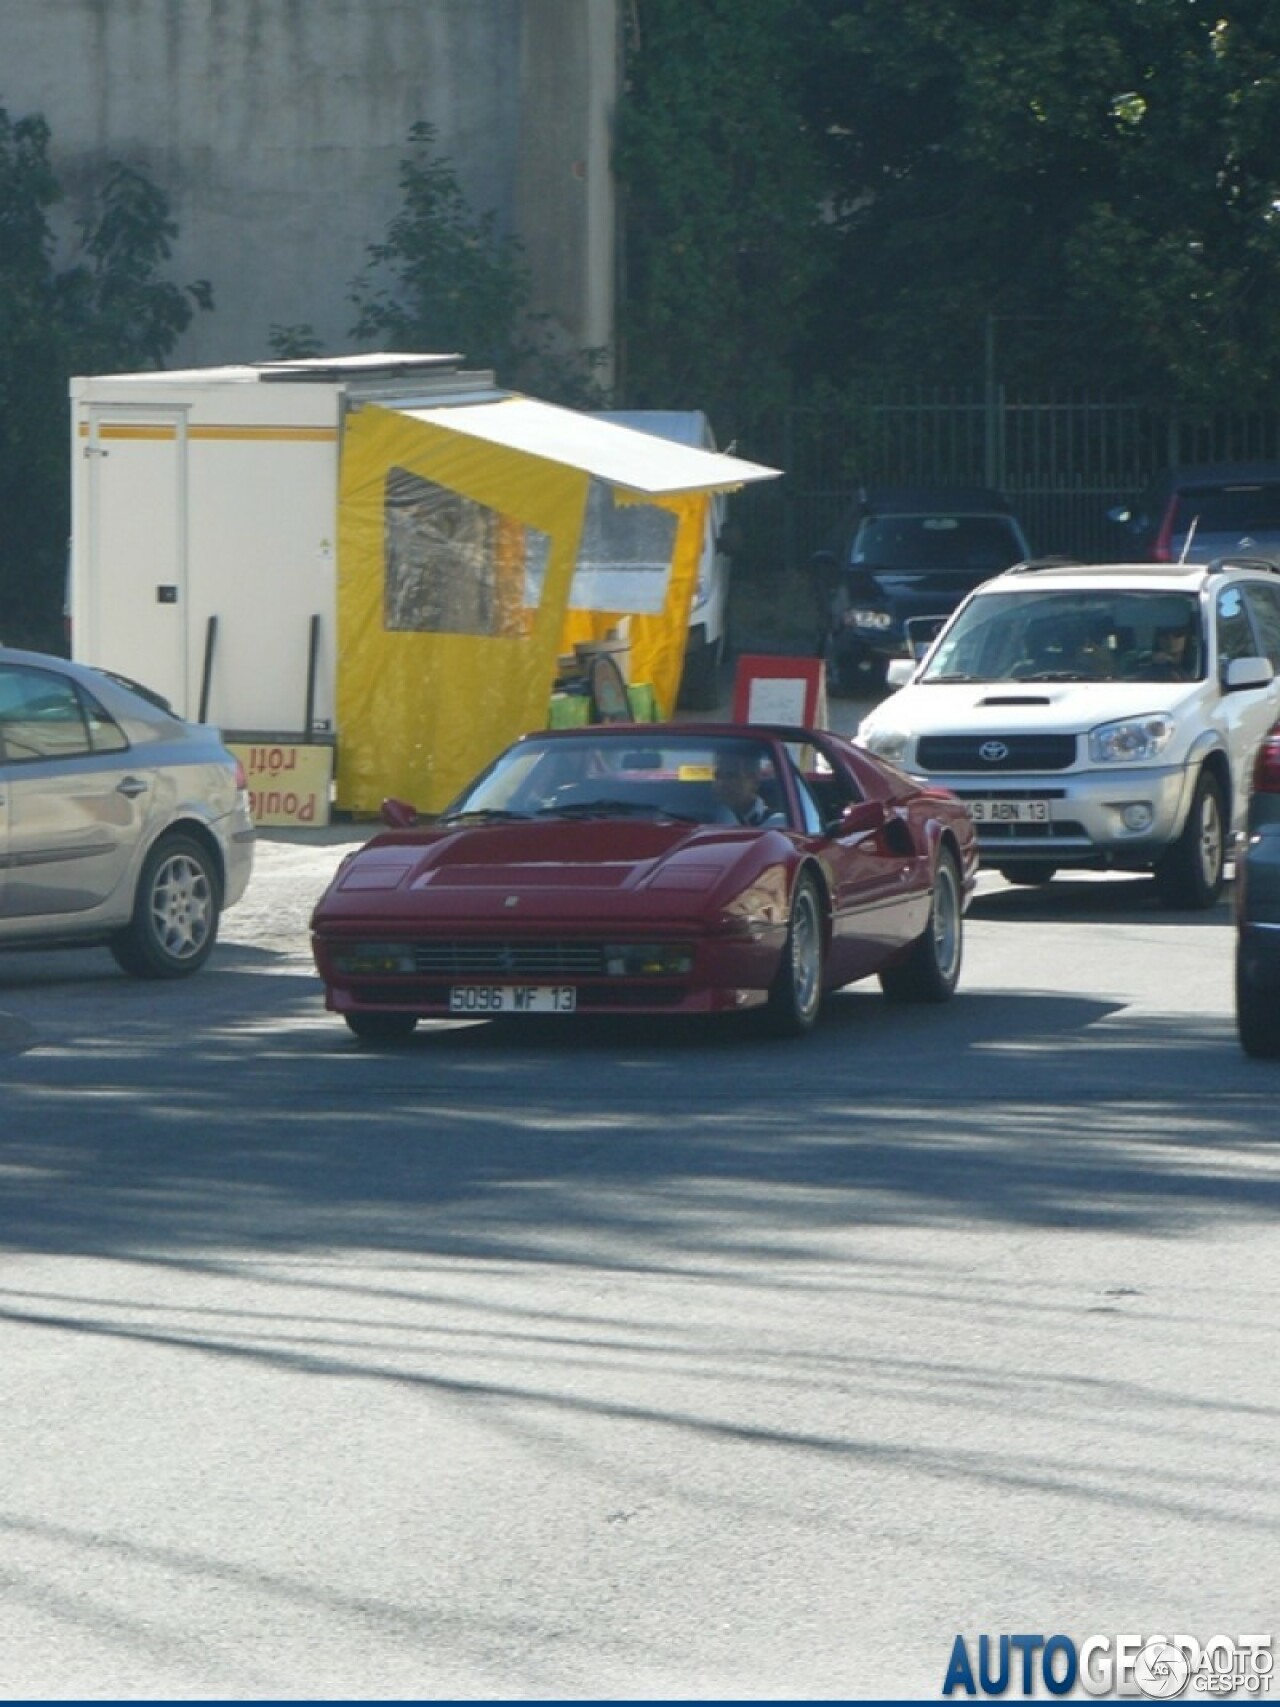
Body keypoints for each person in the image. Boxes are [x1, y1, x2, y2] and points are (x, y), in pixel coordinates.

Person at [711, 749, 788, 826]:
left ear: (755, 782)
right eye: (717, 776)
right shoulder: (710, 819)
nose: (721, 784)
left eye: (731, 776)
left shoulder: (777, 824)